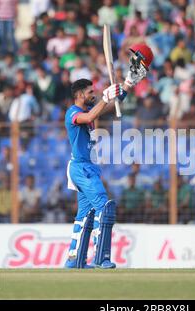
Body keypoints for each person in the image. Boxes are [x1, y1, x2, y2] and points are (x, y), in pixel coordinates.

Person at [64, 46, 150, 269]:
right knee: (104, 205)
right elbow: (92, 113)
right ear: (81, 94)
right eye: (90, 92)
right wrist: (105, 96)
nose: (92, 94)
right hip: (81, 168)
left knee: (86, 213)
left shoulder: (89, 110)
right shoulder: (73, 112)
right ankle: (102, 257)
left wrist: (127, 85)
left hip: (88, 167)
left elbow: (107, 106)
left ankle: (74, 260)